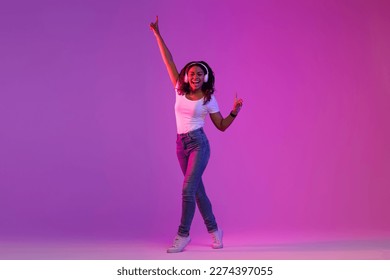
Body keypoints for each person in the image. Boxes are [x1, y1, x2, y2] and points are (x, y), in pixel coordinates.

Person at [149, 16, 243, 253]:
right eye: (192, 73)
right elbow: (168, 61)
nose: (195, 76)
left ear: (205, 77)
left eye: (199, 74)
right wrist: (158, 35)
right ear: (186, 76)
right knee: (197, 190)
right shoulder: (179, 90)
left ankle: (183, 235)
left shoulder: (208, 99)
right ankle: (215, 231)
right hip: (181, 145)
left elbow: (220, 125)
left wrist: (234, 112)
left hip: (199, 145)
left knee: (187, 189)